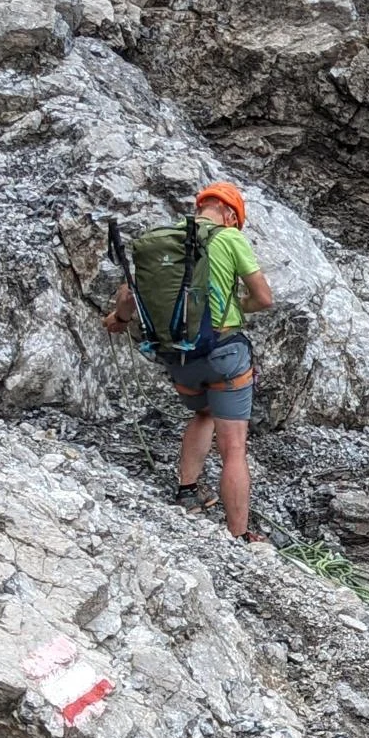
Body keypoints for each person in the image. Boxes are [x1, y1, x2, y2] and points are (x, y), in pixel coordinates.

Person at [103, 182, 274, 540]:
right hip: (223, 355)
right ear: (230, 214)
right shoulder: (229, 238)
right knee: (234, 448)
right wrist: (234, 306)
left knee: (204, 412)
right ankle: (240, 536)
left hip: (180, 359)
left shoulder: (163, 240)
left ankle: (187, 491)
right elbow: (263, 298)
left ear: (201, 207)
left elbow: (128, 293)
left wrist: (118, 320)